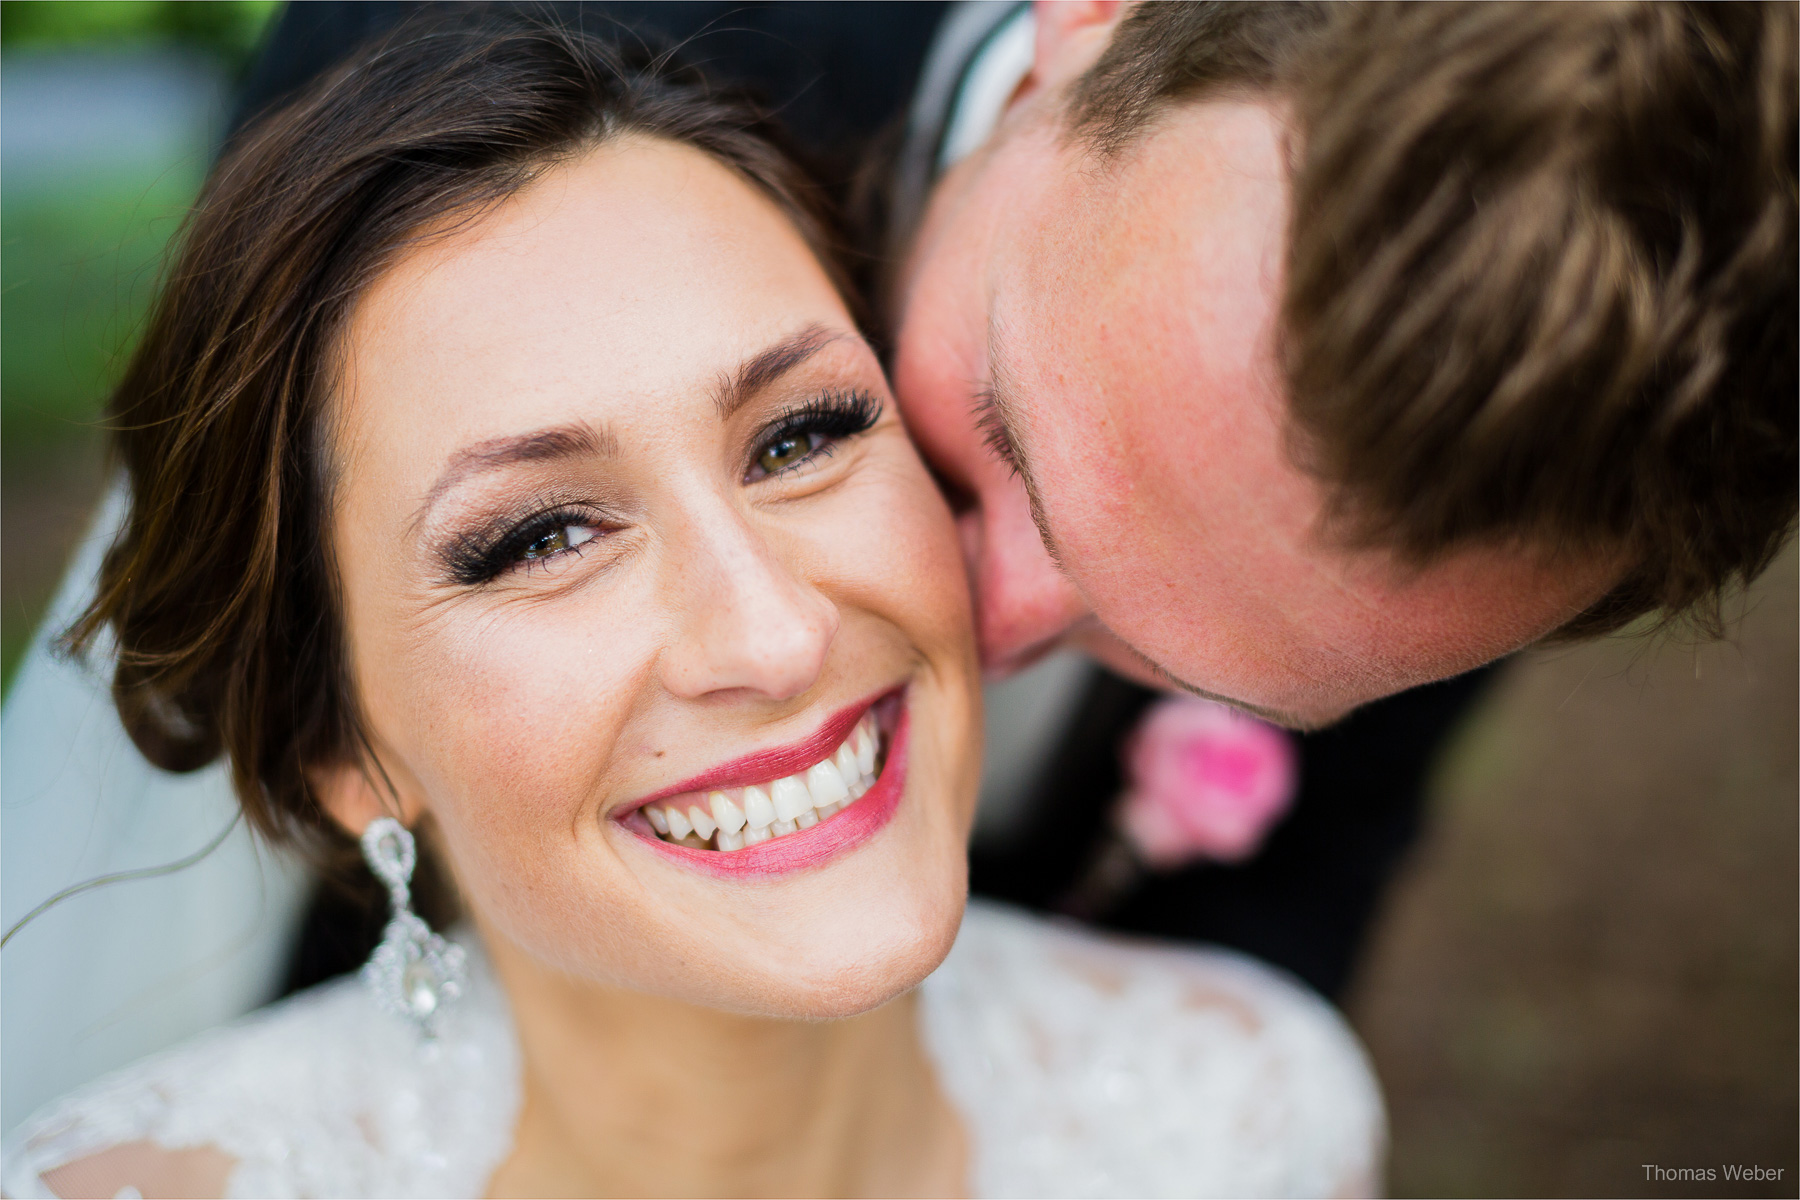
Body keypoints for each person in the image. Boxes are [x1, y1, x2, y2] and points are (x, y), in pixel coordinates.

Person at [1, 15, 1382, 1197]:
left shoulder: (1254, 1115)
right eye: (541, 536)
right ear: (343, 747)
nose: (773, 635)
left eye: (802, 435)